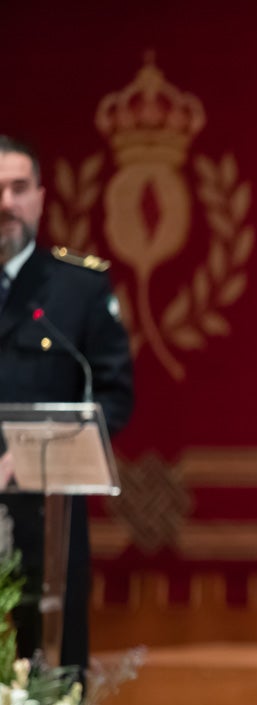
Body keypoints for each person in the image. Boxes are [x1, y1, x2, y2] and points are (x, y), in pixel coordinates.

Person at [0, 135, 134, 672]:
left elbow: (111, 396)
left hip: (44, 520)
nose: (6, 203)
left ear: (41, 197)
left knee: (53, 677)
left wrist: (29, 456)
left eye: (18, 188)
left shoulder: (77, 289)